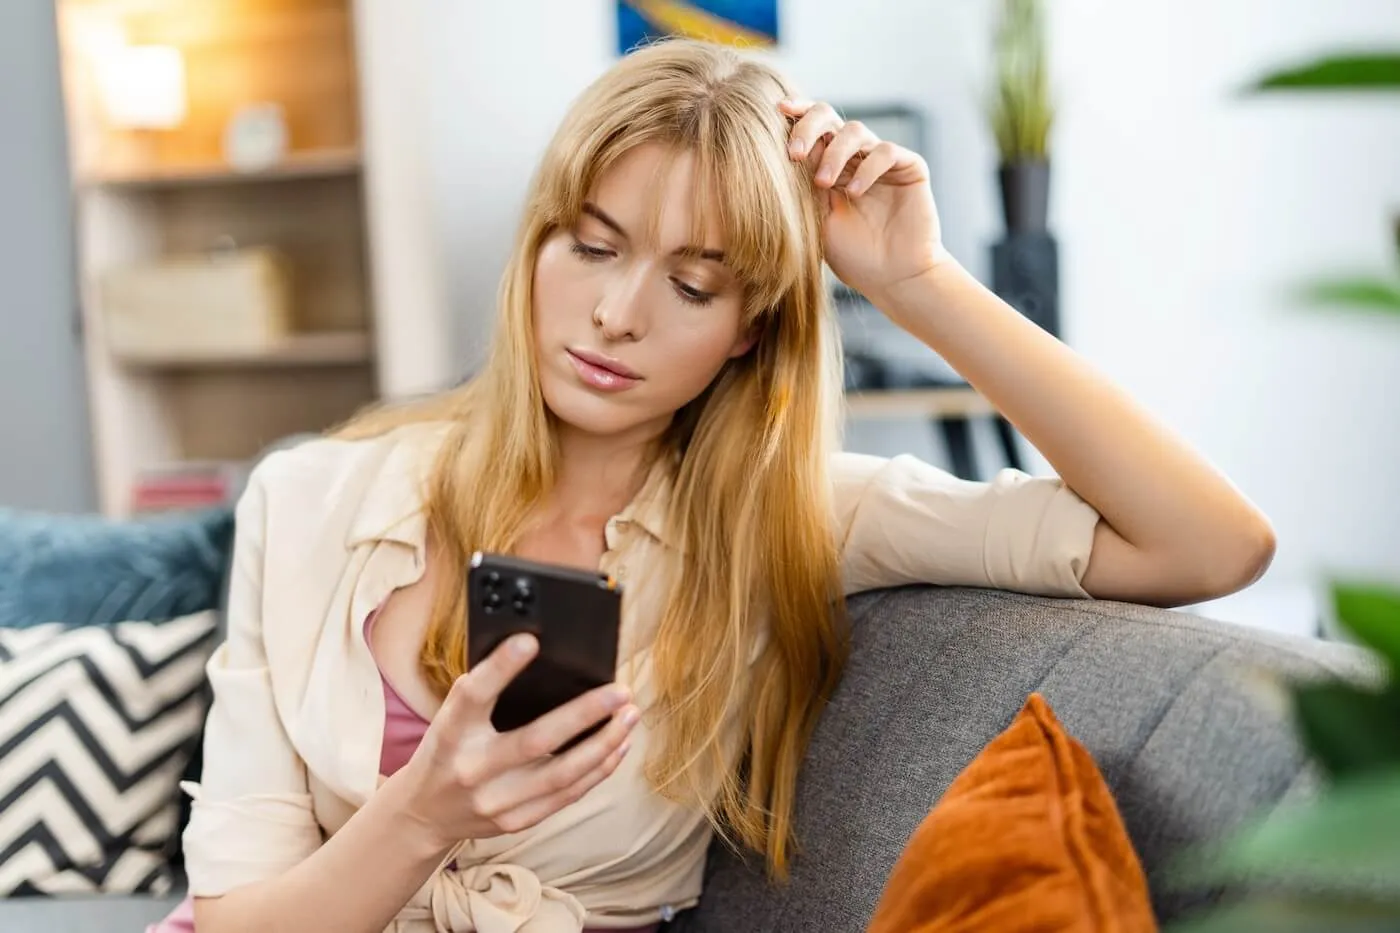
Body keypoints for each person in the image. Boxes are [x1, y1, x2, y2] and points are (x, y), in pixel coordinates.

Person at [157, 38, 1274, 933]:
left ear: (750, 330)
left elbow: (1206, 545)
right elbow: (241, 917)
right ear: (535, 247)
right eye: (591, 248)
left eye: (693, 285)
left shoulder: (788, 521)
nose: (616, 313)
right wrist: (424, 812)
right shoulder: (308, 499)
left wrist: (916, 283)